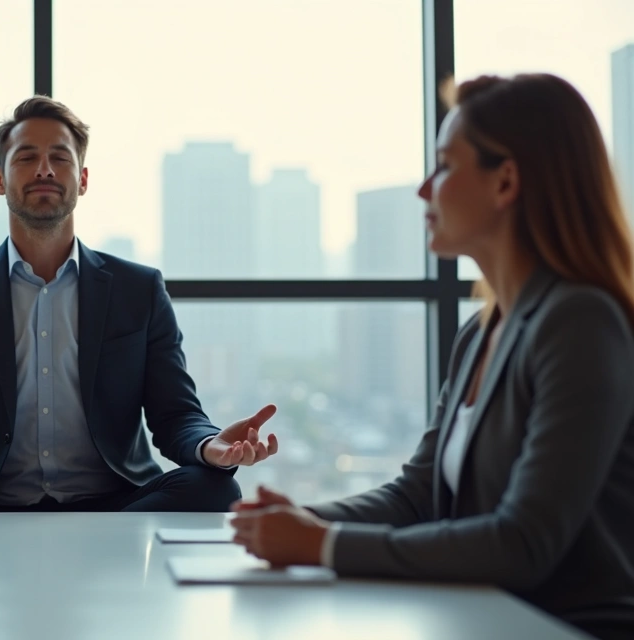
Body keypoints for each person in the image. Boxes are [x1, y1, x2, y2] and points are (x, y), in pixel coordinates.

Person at [229, 73, 634, 640]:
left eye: (444, 165)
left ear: (506, 181)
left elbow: (523, 542)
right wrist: (301, 521)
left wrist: (322, 545)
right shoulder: (480, 333)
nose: (425, 189)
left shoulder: (579, 323)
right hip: (479, 616)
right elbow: (418, 496)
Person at [0, 96, 279, 513]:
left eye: (60, 157)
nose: (44, 169)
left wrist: (210, 447)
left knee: (215, 487)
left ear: (82, 179)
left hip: (115, 501)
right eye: (27, 158)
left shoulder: (138, 288)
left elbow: (175, 414)